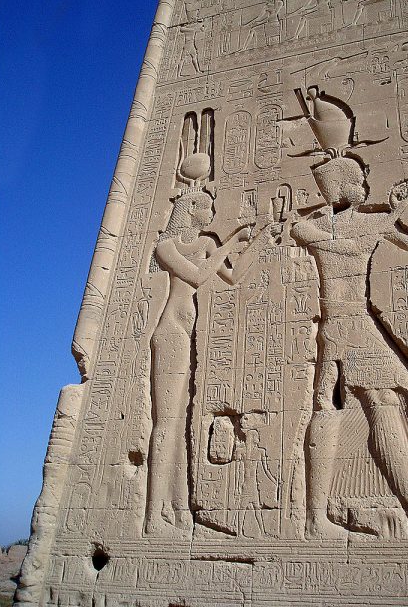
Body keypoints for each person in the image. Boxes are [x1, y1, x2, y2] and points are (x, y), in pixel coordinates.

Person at [291, 87, 408, 540]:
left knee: (327, 411)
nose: (367, 186)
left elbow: (296, 224)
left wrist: (334, 192)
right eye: (360, 182)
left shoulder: (312, 230)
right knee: (382, 412)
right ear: (350, 189)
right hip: (357, 328)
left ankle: (317, 519)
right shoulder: (373, 223)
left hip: (333, 330)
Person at [145, 153, 277, 534]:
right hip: (169, 333)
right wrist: (232, 239)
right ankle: (155, 513)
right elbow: (200, 277)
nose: (211, 211)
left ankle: (177, 508)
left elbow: (232, 276)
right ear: (189, 209)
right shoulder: (165, 246)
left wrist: (262, 238)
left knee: (180, 421)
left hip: (185, 335)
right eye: (207, 205)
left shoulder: (204, 243)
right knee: (165, 424)